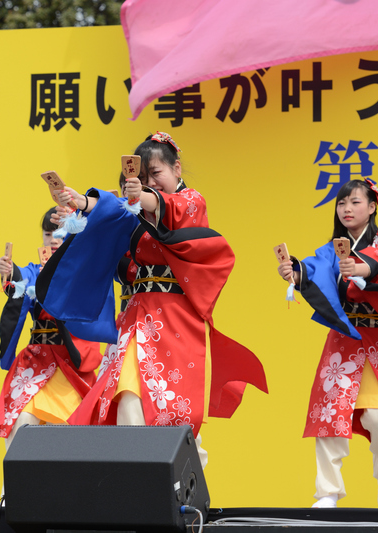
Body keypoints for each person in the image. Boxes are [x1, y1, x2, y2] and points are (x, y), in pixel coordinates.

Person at [38, 132, 267, 463]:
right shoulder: (136, 213)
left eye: (156, 174)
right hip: (138, 317)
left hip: (175, 319)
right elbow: (114, 211)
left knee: (173, 409)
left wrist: (142, 196)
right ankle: (141, 481)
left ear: (176, 168)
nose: (151, 183)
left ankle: (183, 477)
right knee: (128, 395)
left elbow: (165, 207)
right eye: (143, 178)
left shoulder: (191, 201)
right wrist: (80, 203)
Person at [277, 179, 378, 509]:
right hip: (345, 341)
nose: (347, 209)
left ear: (373, 206)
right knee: (329, 417)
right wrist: (293, 273)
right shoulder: (333, 247)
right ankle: (327, 492)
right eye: (341, 204)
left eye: (354, 202)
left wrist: (358, 267)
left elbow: (377, 261)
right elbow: (315, 267)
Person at [0, 207, 103, 447]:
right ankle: (19, 484)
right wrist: (11, 273)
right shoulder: (35, 270)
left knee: (68, 436)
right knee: (20, 427)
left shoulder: (84, 270)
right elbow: (22, 285)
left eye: (60, 231)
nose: (52, 238)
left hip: (70, 361)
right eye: (47, 233)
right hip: (36, 361)